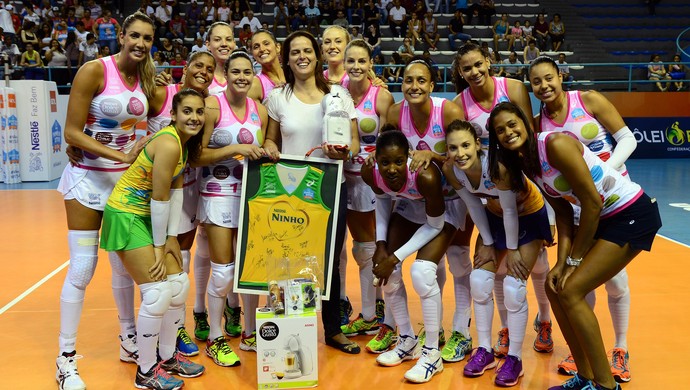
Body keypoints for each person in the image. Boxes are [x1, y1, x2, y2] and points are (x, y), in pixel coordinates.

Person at [487, 101, 662, 390]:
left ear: (526, 124)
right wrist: (561, 262)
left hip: (631, 213)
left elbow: (592, 202)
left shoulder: (554, 144)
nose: (508, 132)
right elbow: (565, 212)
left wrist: (574, 261)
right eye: (500, 130)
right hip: (603, 219)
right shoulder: (525, 162)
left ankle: (606, 385)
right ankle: (585, 375)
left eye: (512, 124)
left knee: (571, 291)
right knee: (553, 287)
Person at [54, 12, 156, 390]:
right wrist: (120, 156)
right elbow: (72, 132)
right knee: (82, 268)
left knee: (122, 267)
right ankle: (65, 359)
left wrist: (139, 155)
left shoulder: (146, 77)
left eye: (147, 38)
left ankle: (129, 340)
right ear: (120, 36)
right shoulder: (94, 71)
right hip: (86, 180)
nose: (140, 44)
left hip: (124, 188)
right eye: (134, 36)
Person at [529, 55, 639, 384]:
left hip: (613, 201)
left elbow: (628, 139)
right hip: (576, 211)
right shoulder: (538, 125)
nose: (544, 86)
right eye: (536, 82)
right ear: (531, 88)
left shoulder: (587, 100)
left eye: (549, 78)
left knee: (615, 282)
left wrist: (602, 176)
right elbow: (548, 180)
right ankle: (586, 351)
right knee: (578, 283)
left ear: (560, 77)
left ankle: (620, 348)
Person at [451, 42, 554, 358]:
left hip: (529, 188)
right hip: (492, 193)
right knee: (496, 270)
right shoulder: (459, 103)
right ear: (460, 73)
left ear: (488, 61)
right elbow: (457, 147)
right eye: (466, 68)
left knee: (537, 264)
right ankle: (506, 329)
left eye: (478, 64)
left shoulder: (513, 88)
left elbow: (531, 136)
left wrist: (548, 209)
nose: (474, 72)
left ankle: (545, 320)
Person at [100, 87, 207, 389]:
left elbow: (174, 193)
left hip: (147, 215)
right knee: (158, 293)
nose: (194, 117)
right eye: (187, 110)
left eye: (199, 111)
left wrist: (171, 237)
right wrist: (160, 248)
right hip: (126, 215)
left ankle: (168, 356)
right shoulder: (170, 143)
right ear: (173, 114)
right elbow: (159, 198)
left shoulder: (184, 145)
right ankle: (146, 372)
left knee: (178, 285)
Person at [263, 30, 361, 355]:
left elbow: (355, 141)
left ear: (317, 56)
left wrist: (344, 151)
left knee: (328, 263)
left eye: (307, 50)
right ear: (287, 59)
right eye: (295, 52)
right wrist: (268, 148)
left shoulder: (338, 94)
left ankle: (333, 329)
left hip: (332, 187)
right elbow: (271, 139)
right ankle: (294, 328)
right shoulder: (278, 97)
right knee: (292, 260)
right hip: (291, 191)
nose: (301, 56)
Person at [443, 119, 552, 386]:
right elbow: (474, 206)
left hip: (528, 215)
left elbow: (513, 211)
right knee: (479, 281)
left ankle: (514, 358)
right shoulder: (451, 170)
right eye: (453, 147)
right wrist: (489, 242)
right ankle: (485, 350)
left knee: (514, 287)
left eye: (466, 145)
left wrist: (512, 249)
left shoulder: (498, 167)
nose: (461, 154)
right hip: (493, 216)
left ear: (478, 144)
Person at [386, 57, 470, 367]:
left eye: (421, 80)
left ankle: (455, 334)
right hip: (414, 200)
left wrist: (430, 155)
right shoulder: (395, 112)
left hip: (451, 199)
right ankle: (406, 338)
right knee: (390, 266)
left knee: (450, 263)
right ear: (402, 84)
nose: (414, 86)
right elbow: (386, 150)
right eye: (408, 80)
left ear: (432, 86)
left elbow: (465, 153)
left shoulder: (446, 111)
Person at [196, 50, 268, 366]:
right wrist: (236, 148)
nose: (241, 77)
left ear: (253, 75)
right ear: (226, 73)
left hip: (250, 195)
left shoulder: (260, 111)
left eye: (247, 72)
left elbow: (267, 147)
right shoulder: (212, 106)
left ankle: (250, 333)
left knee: (249, 270)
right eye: (235, 72)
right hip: (217, 192)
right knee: (224, 273)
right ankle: (215, 337)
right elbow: (196, 155)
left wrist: (270, 150)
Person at [362, 129, 449, 383]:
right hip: (410, 206)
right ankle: (407, 340)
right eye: (385, 162)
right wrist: (381, 245)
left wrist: (395, 257)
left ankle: (432, 353)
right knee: (384, 271)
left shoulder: (426, 175)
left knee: (421, 273)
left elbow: (435, 225)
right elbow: (381, 202)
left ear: (408, 157)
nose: (391, 169)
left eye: (399, 161)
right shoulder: (370, 171)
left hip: (444, 212)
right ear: (375, 159)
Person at [145, 51, 217, 359]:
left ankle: (175, 330)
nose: (203, 72)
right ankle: (140, 332)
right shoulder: (163, 92)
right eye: (198, 65)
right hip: (151, 192)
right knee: (154, 266)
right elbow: (131, 118)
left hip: (184, 189)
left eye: (210, 69)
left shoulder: (209, 104)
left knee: (179, 262)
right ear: (184, 68)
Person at [339, 39, 395, 351]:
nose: (357, 67)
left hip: (373, 180)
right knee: (363, 248)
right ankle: (373, 312)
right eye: (352, 61)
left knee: (376, 245)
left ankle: (376, 312)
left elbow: (388, 139)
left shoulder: (381, 95)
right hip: (343, 177)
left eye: (362, 61)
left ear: (370, 62)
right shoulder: (337, 92)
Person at [249, 30, 286, 103]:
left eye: (266, 43)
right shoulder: (254, 85)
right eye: (256, 47)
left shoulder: (294, 75)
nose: (262, 49)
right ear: (253, 53)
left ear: (277, 47)